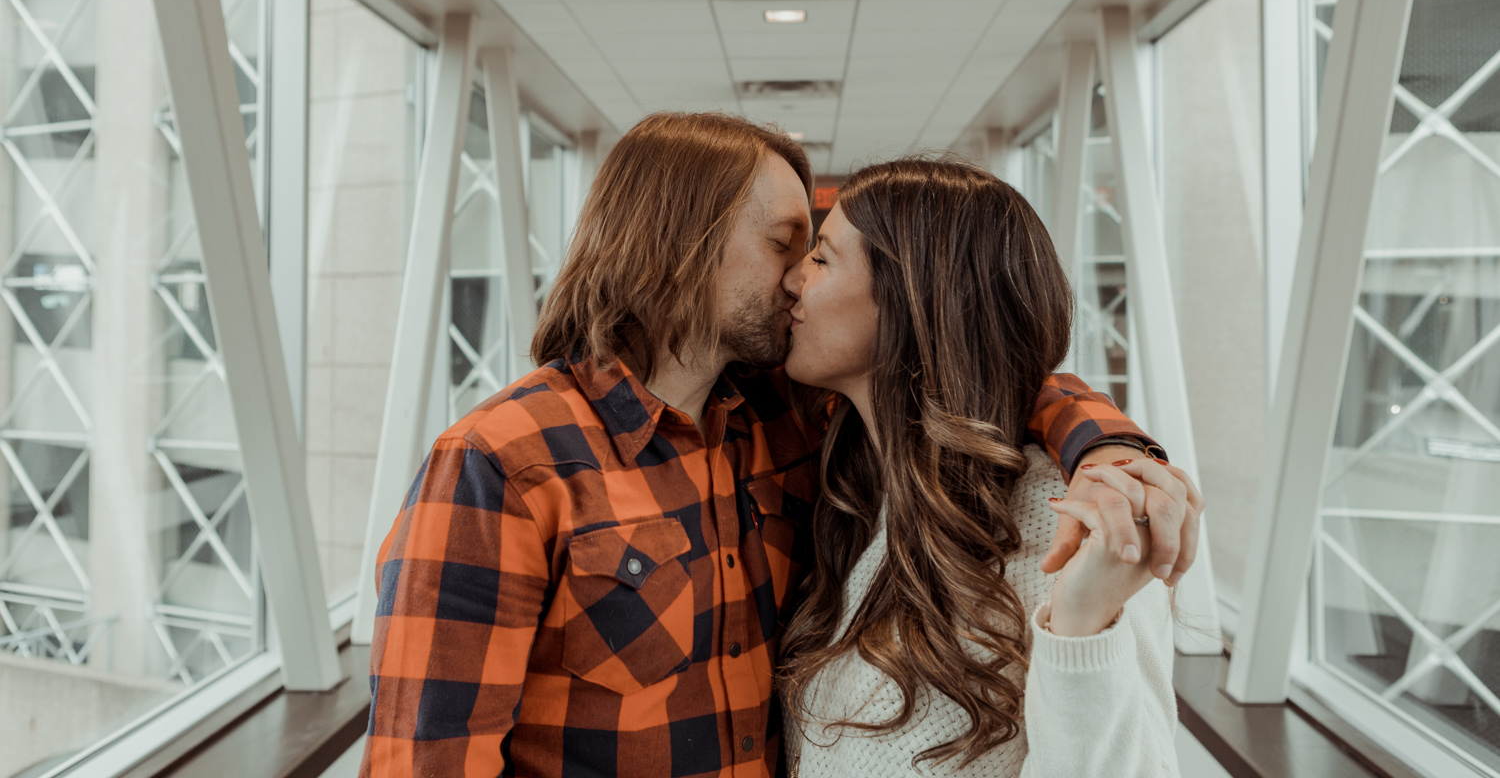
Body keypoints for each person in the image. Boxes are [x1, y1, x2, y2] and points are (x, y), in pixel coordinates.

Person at [359, 113, 1201, 778]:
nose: (798, 277)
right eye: (783, 244)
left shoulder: (786, 427)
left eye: (817, 253)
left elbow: (979, 374)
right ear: (680, 243)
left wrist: (1108, 453)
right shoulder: (504, 464)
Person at [779, 155, 1182, 777]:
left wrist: (1080, 628)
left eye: (821, 256)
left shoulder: (1076, 526)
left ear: (911, 298)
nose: (791, 279)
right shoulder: (856, 486)